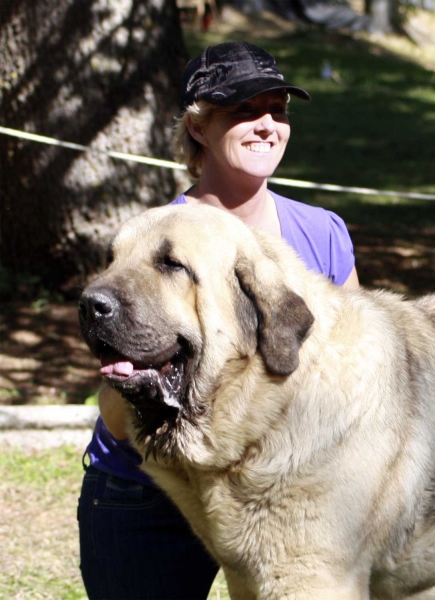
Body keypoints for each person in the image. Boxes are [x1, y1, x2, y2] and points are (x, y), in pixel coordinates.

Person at [78, 41, 360, 600]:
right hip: (147, 493)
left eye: (277, 111)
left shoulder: (323, 230)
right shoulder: (154, 240)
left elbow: (357, 368)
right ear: (198, 128)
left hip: (275, 498)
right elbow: (116, 419)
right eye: (242, 111)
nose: (266, 125)